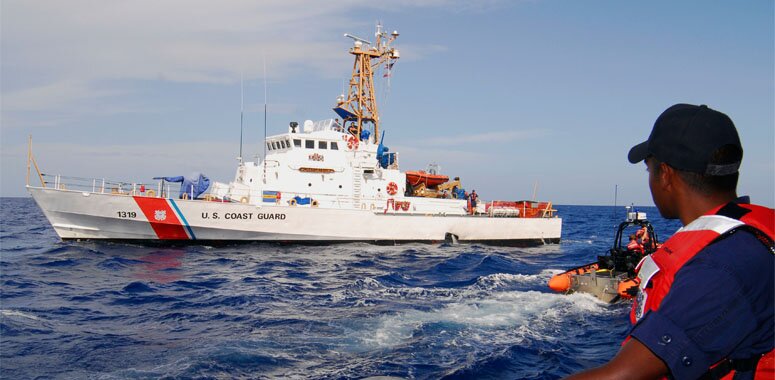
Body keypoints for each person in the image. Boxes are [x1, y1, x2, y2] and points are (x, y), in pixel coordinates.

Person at [566, 104, 774, 380]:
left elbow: (623, 375)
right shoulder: (748, 236)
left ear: (665, 175)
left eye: (648, 170)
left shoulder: (719, 265)